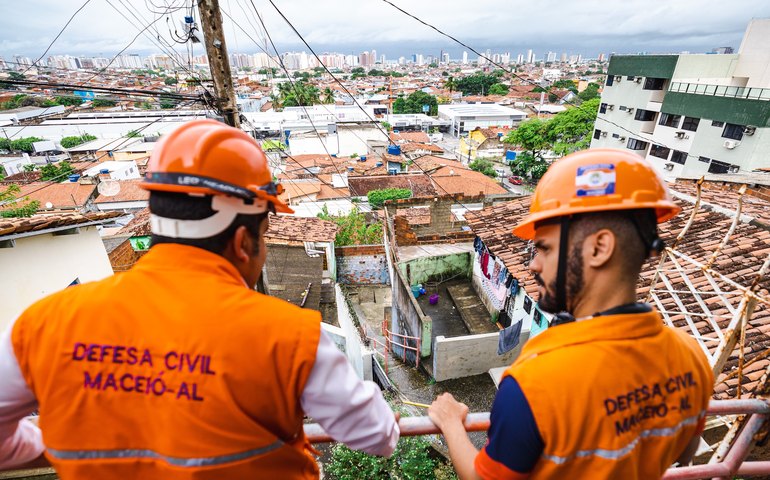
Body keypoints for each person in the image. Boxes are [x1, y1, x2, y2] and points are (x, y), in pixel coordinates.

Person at [0, 119, 399, 479]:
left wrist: (58, 443)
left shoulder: (43, 324)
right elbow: (377, 436)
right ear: (244, 242)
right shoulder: (289, 338)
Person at [428, 149, 714, 479]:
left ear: (599, 248)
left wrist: (450, 423)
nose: (533, 264)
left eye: (545, 248)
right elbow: (684, 456)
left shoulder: (535, 382)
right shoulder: (691, 356)